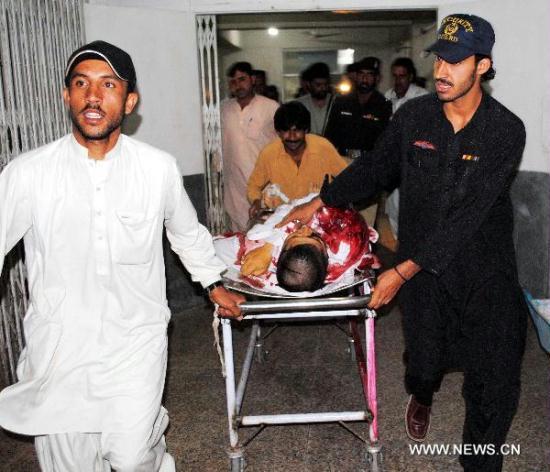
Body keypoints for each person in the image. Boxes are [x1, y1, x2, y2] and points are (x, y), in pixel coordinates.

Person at [279, 14, 528, 472]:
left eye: (456, 60)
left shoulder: (505, 131)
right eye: (439, 58)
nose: (441, 70)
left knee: (493, 375)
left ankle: (480, 462)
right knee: (425, 357)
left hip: (482, 269)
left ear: (483, 66)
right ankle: (424, 393)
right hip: (425, 273)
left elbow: (467, 217)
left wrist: (400, 270)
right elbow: (376, 168)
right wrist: (320, 202)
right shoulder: (414, 116)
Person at [0, 40, 244, 471]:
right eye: (81, 84)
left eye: (108, 85)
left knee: (133, 458)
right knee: (71, 464)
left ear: (129, 100)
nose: (93, 96)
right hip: (60, 347)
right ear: (67, 95)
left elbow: (186, 234)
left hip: (136, 339)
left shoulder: (157, 168)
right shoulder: (28, 173)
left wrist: (214, 284)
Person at [214, 193, 379, 294]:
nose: (303, 230)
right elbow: (299, 214)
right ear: (324, 255)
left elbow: (215, 249)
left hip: (306, 206)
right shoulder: (347, 237)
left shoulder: (279, 257)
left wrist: (268, 246)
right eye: (311, 236)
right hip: (315, 202)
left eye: (293, 238)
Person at [247, 101, 347, 220]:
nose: (292, 137)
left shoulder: (323, 148)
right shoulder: (269, 153)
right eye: (286, 131)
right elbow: (253, 186)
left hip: (319, 217)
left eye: (297, 130)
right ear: (278, 132)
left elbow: (346, 178)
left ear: (306, 130)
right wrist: (256, 201)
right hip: (283, 219)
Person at [324, 57, 392, 227]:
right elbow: (329, 137)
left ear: (377, 78)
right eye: (361, 74)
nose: (365, 79)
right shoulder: (341, 102)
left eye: (370, 75)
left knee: (365, 222)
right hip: (341, 163)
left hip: (368, 166)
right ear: (355, 76)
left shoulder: (383, 105)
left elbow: (385, 142)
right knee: (339, 217)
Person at [221, 62, 279, 231]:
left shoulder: (270, 107)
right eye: (233, 81)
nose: (238, 85)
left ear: (253, 79)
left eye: (242, 79)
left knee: (265, 232)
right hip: (234, 187)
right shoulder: (223, 109)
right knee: (238, 234)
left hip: (264, 184)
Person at [384, 57, 429, 237]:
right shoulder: (387, 97)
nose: (398, 81)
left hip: (415, 164)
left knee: (413, 213)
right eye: (394, 76)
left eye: (402, 76)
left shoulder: (423, 98)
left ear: (410, 77)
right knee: (393, 210)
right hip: (394, 164)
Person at [296, 62, 333, 135]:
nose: (323, 88)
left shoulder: (336, 103)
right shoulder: (300, 105)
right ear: (309, 84)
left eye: (325, 84)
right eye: (318, 85)